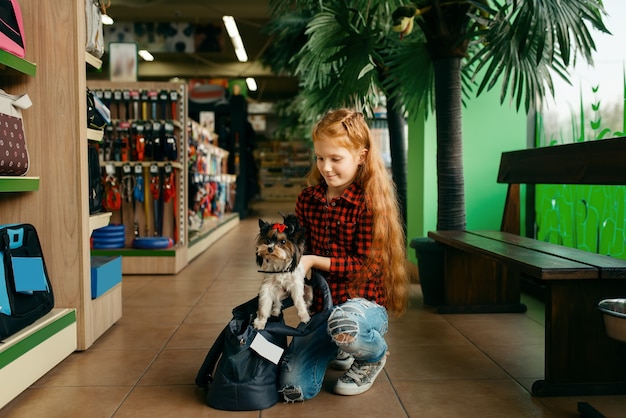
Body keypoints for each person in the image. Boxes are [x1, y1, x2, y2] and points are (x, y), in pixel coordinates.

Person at [279, 108, 409, 402]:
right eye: (320, 157)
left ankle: (371, 355)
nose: (326, 167)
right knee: (292, 386)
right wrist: (290, 258)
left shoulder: (369, 203)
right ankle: (342, 346)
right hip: (322, 308)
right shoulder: (308, 199)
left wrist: (312, 262)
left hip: (362, 307)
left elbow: (363, 265)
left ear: (361, 156)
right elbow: (301, 249)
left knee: (344, 324)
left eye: (336, 159)